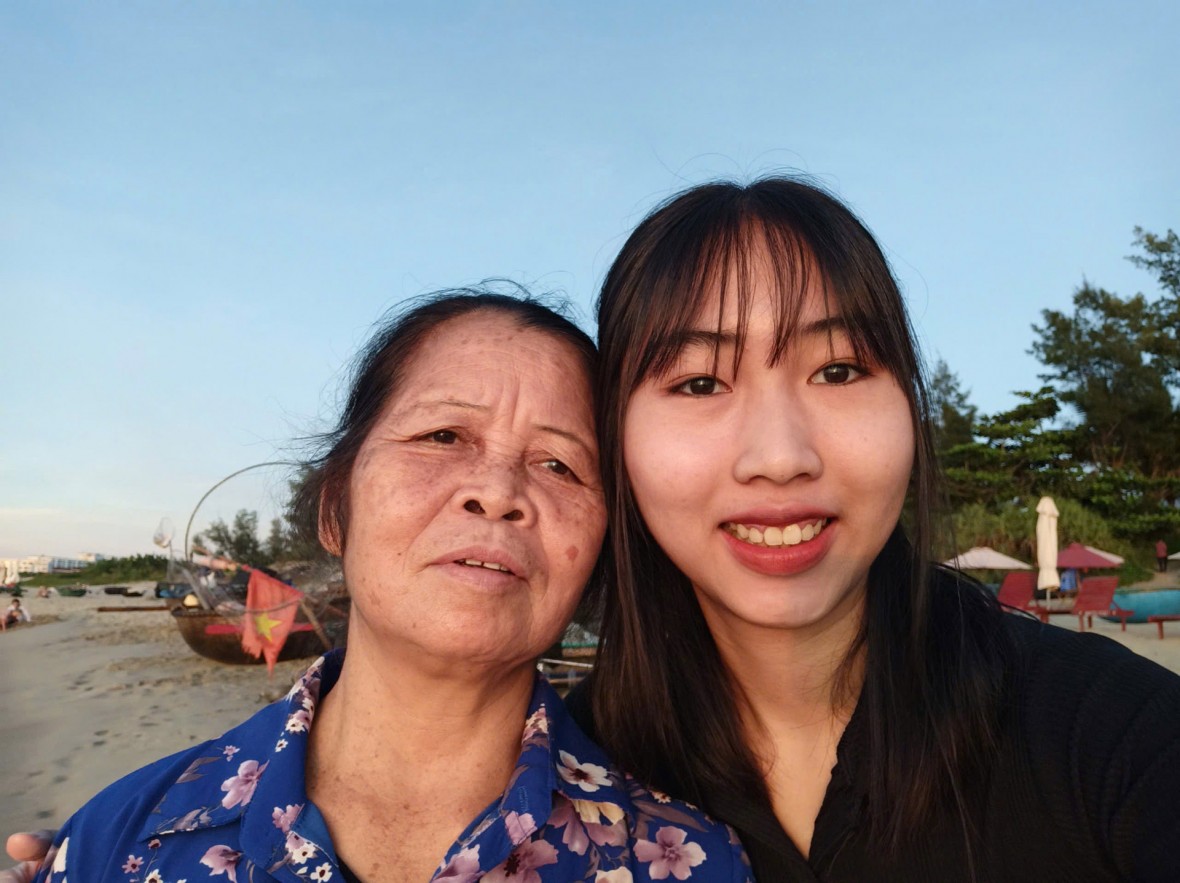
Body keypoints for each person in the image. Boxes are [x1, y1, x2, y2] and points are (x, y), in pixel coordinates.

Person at [21, 289, 750, 883]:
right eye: (443, 436)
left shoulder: (686, 863)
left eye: (559, 465)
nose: (498, 492)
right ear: (334, 507)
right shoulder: (117, 841)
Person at [572, 177, 1180, 881]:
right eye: (700, 383)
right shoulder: (562, 776)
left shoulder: (1111, 735)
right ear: (615, 437)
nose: (780, 457)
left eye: (837, 370)